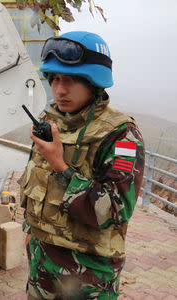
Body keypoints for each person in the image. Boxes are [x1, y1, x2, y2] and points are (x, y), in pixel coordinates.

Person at [18, 31, 145, 299]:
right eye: (55, 79)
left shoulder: (121, 135)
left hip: (89, 280)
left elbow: (113, 210)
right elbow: (35, 184)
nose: (59, 89)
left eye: (71, 80)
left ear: (94, 82)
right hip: (42, 268)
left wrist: (61, 166)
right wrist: (30, 233)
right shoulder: (51, 121)